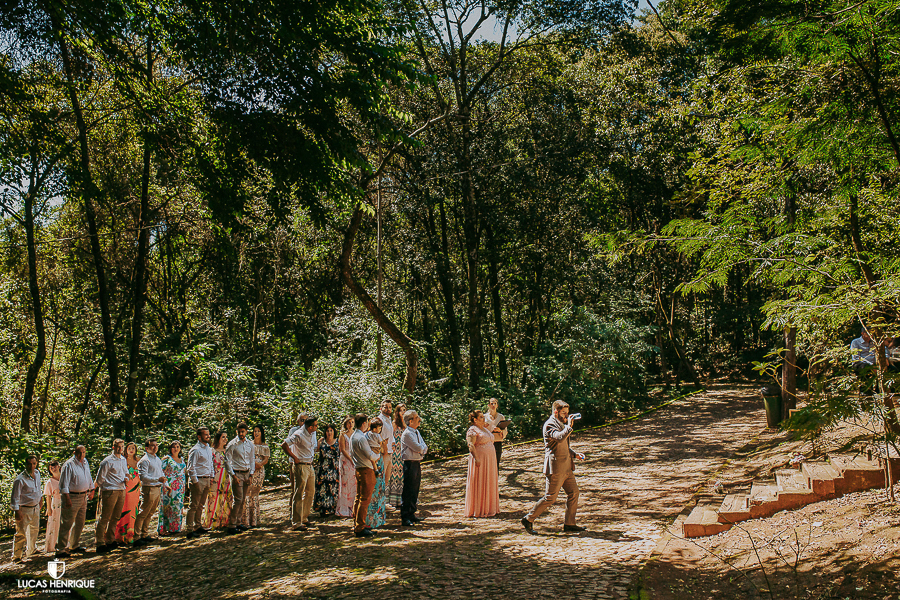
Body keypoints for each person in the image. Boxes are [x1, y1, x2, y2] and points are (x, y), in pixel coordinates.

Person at [521, 400, 586, 534]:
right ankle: (528, 519)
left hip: (567, 467)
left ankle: (570, 523)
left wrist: (574, 455)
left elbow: (564, 446)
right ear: (556, 411)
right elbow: (559, 438)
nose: (566, 415)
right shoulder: (550, 424)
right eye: (564, 413)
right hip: (555, 467)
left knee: (574, 493)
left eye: (567, 413)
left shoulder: (561, 423)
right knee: (550, 497)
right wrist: (569, 426)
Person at [56, 445, 94, 557]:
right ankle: (61, 549)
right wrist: (67, 498)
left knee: (80, 522)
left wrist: (92, 489)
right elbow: (64, 484)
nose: (81, 455)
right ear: (74, 452)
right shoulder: (68, 465)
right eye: (79, 452)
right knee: (67, 522)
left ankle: (74, 544)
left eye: (83, 452)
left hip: (83, 496)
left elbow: (88, 476)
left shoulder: (85, 462)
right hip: (72, 496)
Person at [282, 416, 318, 531]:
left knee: (310, 491)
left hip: (310, 464)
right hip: (301, 465)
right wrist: (294, 457)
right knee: (299, 493)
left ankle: (304, 517)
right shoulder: (298, 434)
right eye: (315, 425)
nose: (317, 427)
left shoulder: (312, 434)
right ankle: (296, 522)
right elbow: (284, 444)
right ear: (310, 426)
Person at [94, 438, 128, 553]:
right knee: (105, 517)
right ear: (113, 447)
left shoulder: (123, 460)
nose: (120, 449)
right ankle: (100, 542)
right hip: (110, 490)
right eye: (118, 446)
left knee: (116, 516)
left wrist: (127, 478)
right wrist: (97, 490)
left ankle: (110, 539)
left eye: (122, 447)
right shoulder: (107, 461)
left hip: (121, 489)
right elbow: (100, 479)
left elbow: (126, 472)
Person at [464, 410, 499, 518]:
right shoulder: (472, 430)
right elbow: (471, 445)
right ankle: (479, 508)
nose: (483, 419)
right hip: (480, 459)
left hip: (490, 459)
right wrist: (476, 458)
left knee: (489, 480)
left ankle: (489, 507)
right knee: (480, 480)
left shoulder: (484, 429)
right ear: (475, 420)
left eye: (483, 417)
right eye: (481, 417)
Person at [350, 413, 379, 537]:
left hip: (359, 468)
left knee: (359, 497)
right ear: (364, 423)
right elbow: (370, 455)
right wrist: (378, 455)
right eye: (367, 422)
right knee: (365, 499)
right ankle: (360, 527)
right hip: (366, 469)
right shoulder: (361, 438)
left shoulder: (353, 436)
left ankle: (356, 522)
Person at [134, 438, 167, 546]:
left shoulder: (157, 459)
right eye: (152, 445)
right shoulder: (144, 460)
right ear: (147, 448)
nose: (155, 447)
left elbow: (160, 473)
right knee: (143, 512)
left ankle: (144, 534)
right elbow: (143, 477)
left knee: (151, 512)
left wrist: (165, 484)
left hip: (157, 488)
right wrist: (157, 480)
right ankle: (137, 536)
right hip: (149, 488)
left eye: (156, 445)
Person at [225, 422, 255, 535]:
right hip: (236, 473)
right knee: (238, 499)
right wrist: (233, 475)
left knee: (242, 500)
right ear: (236, 432)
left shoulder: (250, 444)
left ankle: (238, 522)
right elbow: (227, 461)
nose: (241, 433)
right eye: (239, 432)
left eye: (243, 431)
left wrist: (251, 474)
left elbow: (252, 459)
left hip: (247, 473)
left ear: (246, 431)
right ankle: (232, 524)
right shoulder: (232, 444)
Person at [10, 455, 41, 563]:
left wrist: (40, 500)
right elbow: (15, 497)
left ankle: (31, 550)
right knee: (21, 533)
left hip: (35, 507)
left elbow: (38, 489)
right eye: (29, 463)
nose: (32, 466)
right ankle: (17, 556)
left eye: (34, 463)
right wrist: (17, 511)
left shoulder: (37, 474)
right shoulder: (20, 479)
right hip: (24, 508)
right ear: (26, 464)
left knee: (34, 530)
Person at [185, 427, 214, 539]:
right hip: (198, 479)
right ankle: (189, 529)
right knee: (193, 505)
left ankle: (198, 526)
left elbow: (210, 464)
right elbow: (191, 468)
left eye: (208, 434)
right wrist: (195, 482)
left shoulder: (208, 448)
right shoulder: (195, 450)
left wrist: (211, 477)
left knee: (201, 505)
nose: (208, 436)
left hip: (206, 479)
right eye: (205, 434)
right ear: (199, 436)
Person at [400, 410, 427, 526]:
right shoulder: (407, 433)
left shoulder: (416, 432)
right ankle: (405, 516)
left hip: (417, 462)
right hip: (409, 463)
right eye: (416, 417)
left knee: (415, 490)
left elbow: (424, 446)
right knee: (408, 490)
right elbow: (417, 447)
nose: (419, 419)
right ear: (410, 421)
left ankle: (412, 513)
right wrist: (421, 449)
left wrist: (422, 449)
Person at [204, 430, 233, 529]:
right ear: (218, 438)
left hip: (227, 477)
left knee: (226, 498)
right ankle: (212, 523)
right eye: (223, 437)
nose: (225, 439)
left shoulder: (228, 451)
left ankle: (224, 521)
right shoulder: (212, 451)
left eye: (226, 437)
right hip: (216, 477)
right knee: (213, 498)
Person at [115, 441, 141, 545]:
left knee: (133, 510)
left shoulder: (138, 460)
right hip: (125, 487)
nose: (131, 450)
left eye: (133, 448)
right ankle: (120, 536)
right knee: (124, 509)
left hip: (136, 489)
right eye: (129, 448)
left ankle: (132, 534)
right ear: (126, 449)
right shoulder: (122, 460)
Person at [243, 425, 270, 528]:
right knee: (247, 492)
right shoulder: (249, 444)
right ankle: (246, 520)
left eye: (258, 431)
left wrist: (260, 464)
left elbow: (266, 459)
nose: (256, 433)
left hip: (260, 471)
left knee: (255, 493)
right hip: (250, 470)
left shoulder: (265, 446)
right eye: (255, 431)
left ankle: (254, 519)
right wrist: (254, 464)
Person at [159, 441, 186, 536]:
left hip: (180, 486)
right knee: (168, 505)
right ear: (170, 448)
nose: (176, 449)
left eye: (178, 447)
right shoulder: (167, 459)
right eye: (174, 447)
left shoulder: (181, 459)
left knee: (178, 506)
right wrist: (165, 483)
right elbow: (160, 471)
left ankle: (176, 527)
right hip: (170, 485)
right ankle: (165, 528)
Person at [365, 418, 388, 529]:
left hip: (372, 461)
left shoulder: (366, 435)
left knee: (375, 489)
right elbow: (383, 448)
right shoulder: (377, 436)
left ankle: (373, 519)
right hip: (377, 459)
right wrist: (383, 443)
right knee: (377, 489)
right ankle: (375, 519)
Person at [314, 424, 340, 518]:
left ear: (334, 431)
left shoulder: (338, 441)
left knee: (333, 488)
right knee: (322, 489)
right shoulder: (321, 441)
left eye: (331, 430)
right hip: (323, 468)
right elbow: (316, 451)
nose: (329, 432)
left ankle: (333, 508)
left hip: (334, 468)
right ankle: (322, 509)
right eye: (327, 430)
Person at [286, 411, 308, 512]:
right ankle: (292, 509)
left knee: (305, 488)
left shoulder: (310, 432)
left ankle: (302, 510)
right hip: (295, 461)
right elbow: (288, 444)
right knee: (295, 487)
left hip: (306, 462)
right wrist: (293, 458)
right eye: (302, 420)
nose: (304, 423)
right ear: (298, 421)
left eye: (306, 420)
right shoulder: (294, 431)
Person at [335, 416, 356, 518]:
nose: (350, 424)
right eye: (349, 422)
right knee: (345, 483)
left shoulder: (356, 434)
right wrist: (350, 459)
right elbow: (342, 449)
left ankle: (353, 506)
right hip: (345, 460)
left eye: (352, 422)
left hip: (355, 460)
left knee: (353, 483)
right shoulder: (343, 435)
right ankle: (344, 508)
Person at [387, 403, 406, 509]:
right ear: (397, 412)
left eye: (404, 410)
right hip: (395, 453)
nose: (403, 412)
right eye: (401, 410)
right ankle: (392, 499)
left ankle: (401, 499)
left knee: (402, 476)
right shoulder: (394, 424)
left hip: (403, 453)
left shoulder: (406, 424)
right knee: (394, 476)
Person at [377, 401, 394, 507]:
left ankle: (383, 501)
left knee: (386, 479)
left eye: (390, 407)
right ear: (380, 408)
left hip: (390, 452)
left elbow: (390, 435)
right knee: (381, 478)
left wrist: (393, 443)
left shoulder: (389, 420)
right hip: (383, 453)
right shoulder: (379, 420)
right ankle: (379, 502)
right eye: (385, 407)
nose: (388, 409)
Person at [43, 461, 61, 554]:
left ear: (58, 466)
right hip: (56, 504)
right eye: (51, 468)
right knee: (54, 524)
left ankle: (66, 543)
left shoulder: (64, 478)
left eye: (55, 466)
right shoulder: (50, 482)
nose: (54, 469)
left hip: (66, 503)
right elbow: (48, 496)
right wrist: (48, 508)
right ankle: (52, 545)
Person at [485, 398, 508, 468]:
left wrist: (500, 431)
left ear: (497, 405)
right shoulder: (484, 417)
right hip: (488, 442)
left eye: (495, 403)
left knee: (496, 462)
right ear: (488, 405)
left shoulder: (501, 417)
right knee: (488, 463)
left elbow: (505, 430)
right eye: (492, 403)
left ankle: (496, 478)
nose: (493, 405)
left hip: (497, 441)